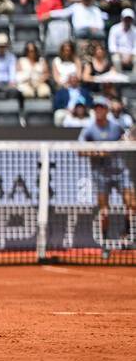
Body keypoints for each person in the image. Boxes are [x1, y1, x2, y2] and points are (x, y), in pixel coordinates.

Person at [77, 102, 136, 257]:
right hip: (101, 175)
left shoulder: (116, 127)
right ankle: (105, 243)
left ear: (106, 111)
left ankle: (126, 236)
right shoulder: (88, 130)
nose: (99, 111)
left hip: (120, 172)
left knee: (132, 204)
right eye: (96, 109)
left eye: (102, 108)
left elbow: (128, 138)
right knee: (104, 210)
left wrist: (128, 141)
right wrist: (99, 153)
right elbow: (79, 151)